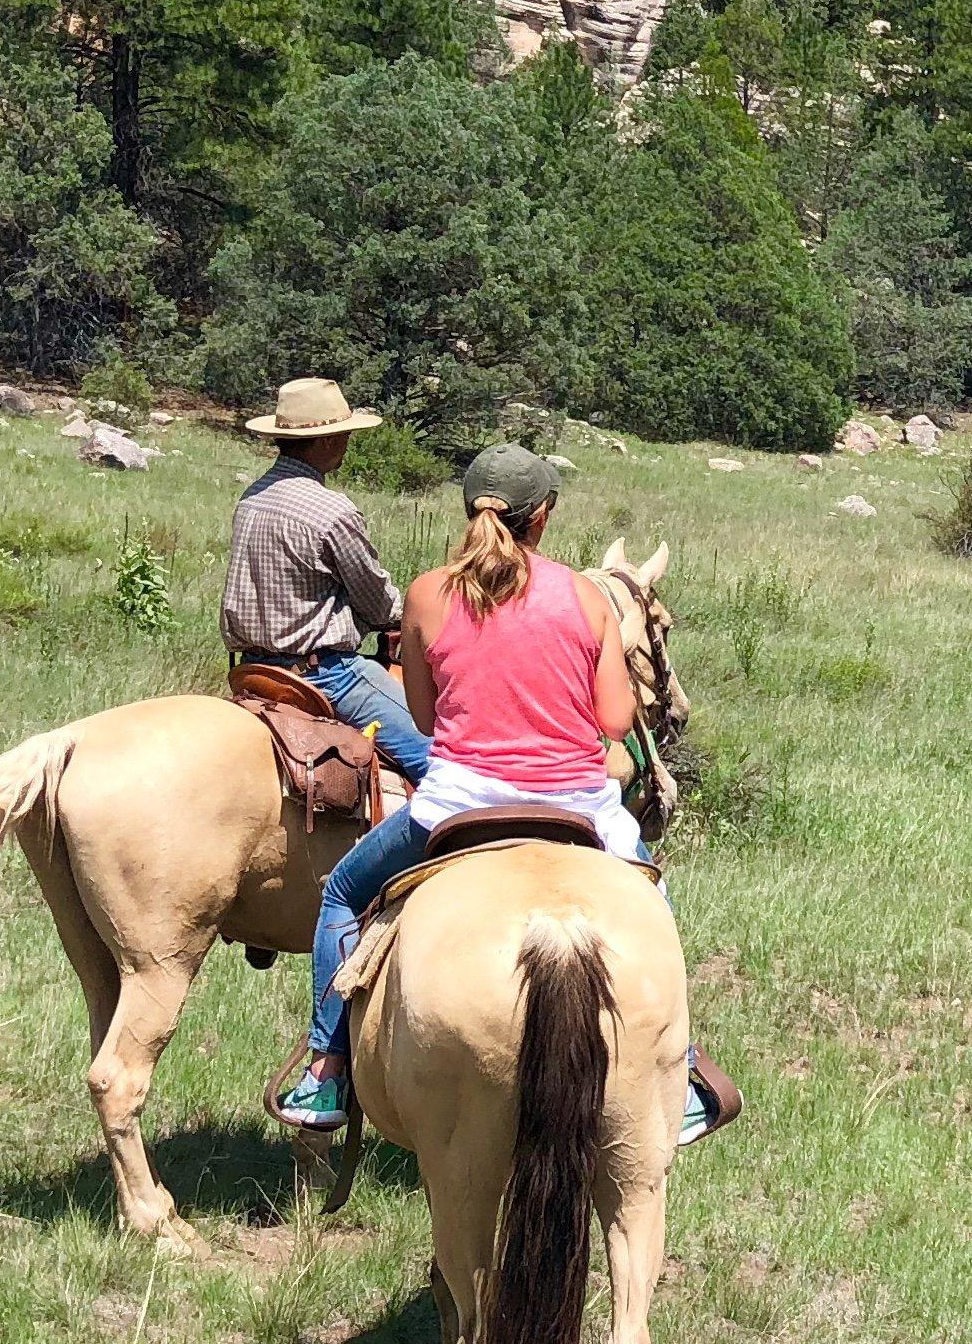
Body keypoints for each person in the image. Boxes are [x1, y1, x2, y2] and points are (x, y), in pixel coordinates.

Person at [271, 445, 718, 1148]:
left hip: (456, 805)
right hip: (579, 806)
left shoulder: (425, 594)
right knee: (653, 903)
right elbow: (616, 722)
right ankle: (685, 1070)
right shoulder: (584, 596)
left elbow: (422, 717)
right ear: (544, 516)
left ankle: (328, 1070)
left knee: (341, 897)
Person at [224, 377, 427, 784]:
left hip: (254, 669)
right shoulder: (333, 511)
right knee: (442, 758)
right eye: (343, 434)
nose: (346, 442)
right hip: (326, 674)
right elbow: (380, 604)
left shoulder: (252, 497)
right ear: (326, 442)